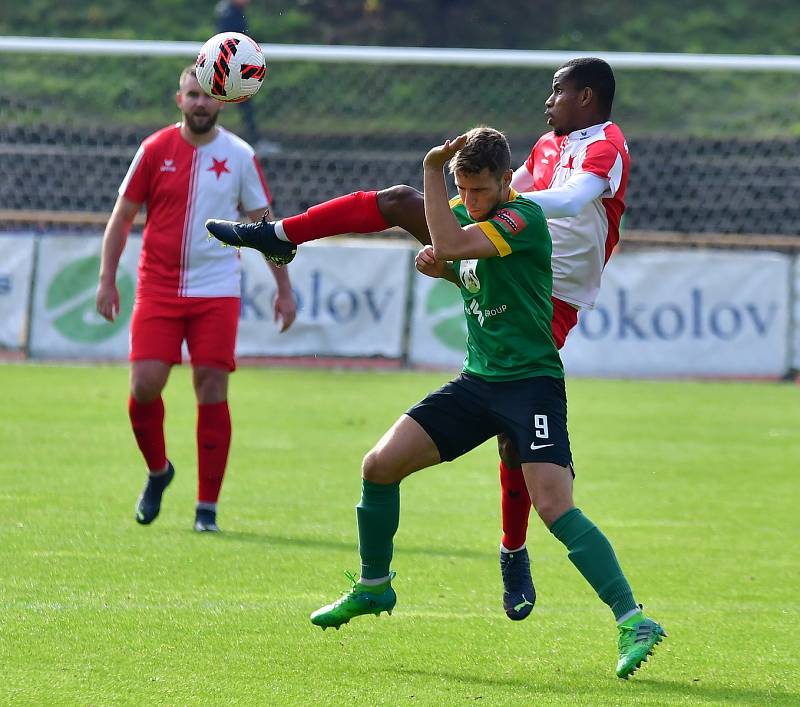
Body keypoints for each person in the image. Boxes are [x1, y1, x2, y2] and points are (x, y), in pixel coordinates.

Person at [206, 57, 628, 615]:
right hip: (502, 249)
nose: (548, 100)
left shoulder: (607, 143)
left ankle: (513, 549)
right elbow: (507, 190)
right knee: (397, 200)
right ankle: (280, 234)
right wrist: (456, 208)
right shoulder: (547, 146)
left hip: (552, 293)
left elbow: (570, 201)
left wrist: (499, 211)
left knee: (516, 440)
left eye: (559, 90)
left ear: (588, 96)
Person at [280, 127, 663, 678]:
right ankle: (373, 586)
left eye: (479, 190)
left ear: (507, 181)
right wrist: (450, 272)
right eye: (465, 189)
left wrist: (432, 174)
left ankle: (633, 619)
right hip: (477, 382)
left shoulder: (522, 217)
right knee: (379, 466)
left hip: (530, 384)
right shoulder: (482, 217)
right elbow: (477, 274)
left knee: (555, 506)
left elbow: (457, 243)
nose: (473, 201)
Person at [96, 65, 296, 533]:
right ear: (179, 100)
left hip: (217, 289)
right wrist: (107, 278)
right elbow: (122, 217)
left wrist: (284, 289)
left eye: (208, 96)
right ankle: (158, 471)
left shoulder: (239, 155)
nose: (201, 103)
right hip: (158, 286)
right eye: (193, 95)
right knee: (144, 385)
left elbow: (264, 227)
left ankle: (207, 508)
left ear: (222, 101)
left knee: (211, 385)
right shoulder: (153, 150)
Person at [215, 0, 260, 146]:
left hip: (234, 64)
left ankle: (253, 138)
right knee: (216, 102)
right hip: (231, 65)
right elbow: (230, 40)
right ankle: (253, 139)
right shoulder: (229, 12)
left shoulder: (231, 10)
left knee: (244, 103)